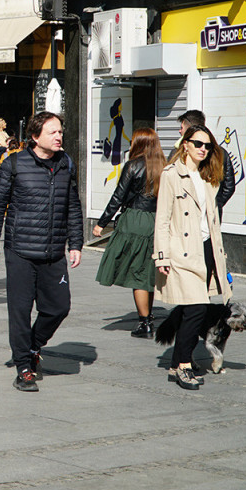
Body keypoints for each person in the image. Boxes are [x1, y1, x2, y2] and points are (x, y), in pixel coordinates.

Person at [0, 112, 83, 393]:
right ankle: (24, 367)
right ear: (35, 136)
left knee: (59, 307)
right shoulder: (14, 164)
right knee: (20, 311)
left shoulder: (65, 164)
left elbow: (72, 206)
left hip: (54, 251)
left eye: (60, 131)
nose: (59, 136)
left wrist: (76, 243)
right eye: (53, 132)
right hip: (21, 252)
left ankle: (33, 345)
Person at [154, 124, 230, 390]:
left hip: (207, 249)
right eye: (198, 143)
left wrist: (221, 255)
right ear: (184, 144)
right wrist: (161, 256)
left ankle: (176, 362)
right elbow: (162, 219)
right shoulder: (171, 175)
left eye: (208, 146)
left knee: (191, 310)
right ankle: (183, 367)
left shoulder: (209, 176)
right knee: (197, 309)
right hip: (182, 252)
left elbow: (212, 221)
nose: (203, 149)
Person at [93, 128, 166, 338]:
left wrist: (101, 223)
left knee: (137, 274)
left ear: (139, 143)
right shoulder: (165, 166)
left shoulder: (133, 165)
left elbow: (118, 197)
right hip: (156, 221)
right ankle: (149, 317)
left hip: (135, 221)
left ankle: (145, 323)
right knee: (147, 273)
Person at [175, 110, 235, 216]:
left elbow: (229, 186)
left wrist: (213, 203)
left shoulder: (219, 153)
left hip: (207, 216)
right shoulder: (179, 151)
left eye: (182, 127)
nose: (180, 131)